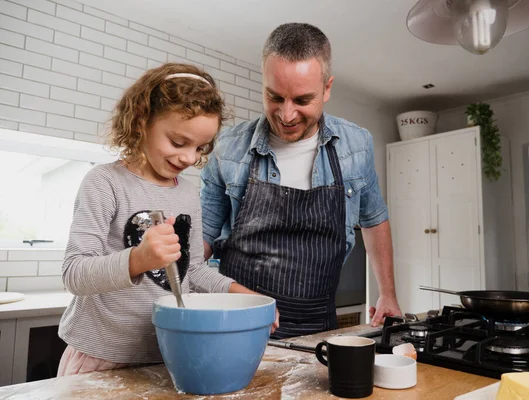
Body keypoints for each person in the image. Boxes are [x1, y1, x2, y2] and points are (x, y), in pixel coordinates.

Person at [57, 63, 277, 376]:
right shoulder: (105, 182)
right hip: (99, 358)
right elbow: (74, 274)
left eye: (199, 147)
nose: (189, 158)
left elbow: (194, 270)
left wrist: (242, 294)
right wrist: (139, 258)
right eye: (178, 142)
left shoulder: (187, 194)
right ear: (141, 121)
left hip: (167, 355)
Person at [201, 23, 402, 339]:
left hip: (317, 327)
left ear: (327, 88)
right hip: (235, 323)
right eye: (274, 96)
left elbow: (375, 221)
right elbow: (203, 238)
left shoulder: (356, 145)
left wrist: (387, 293)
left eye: (302, 100)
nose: (286, 114)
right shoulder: (228, 148)